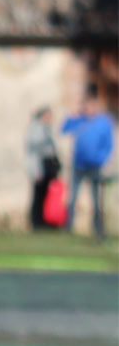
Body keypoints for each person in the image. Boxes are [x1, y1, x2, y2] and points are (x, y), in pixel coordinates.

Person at [61, 90, 114, 239]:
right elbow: (64, 130)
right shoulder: (80, 120)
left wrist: (101, 159)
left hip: (95, 166)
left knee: (96, 199)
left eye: (92, 105)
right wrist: (72, 116)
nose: (89, 108)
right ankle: (68, 226)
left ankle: (97, 229)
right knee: (72, 197)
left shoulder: (103, 122)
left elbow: (108, 144)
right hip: (78, 165)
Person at [25, 106, 61, 230]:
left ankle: (45, 221)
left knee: (46, 195)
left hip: (48, 166)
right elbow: (34, 151)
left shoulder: (47, 129)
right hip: (40, 167)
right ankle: (36, 222)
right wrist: (36, 171)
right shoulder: (35, 129)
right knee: (38, 195)